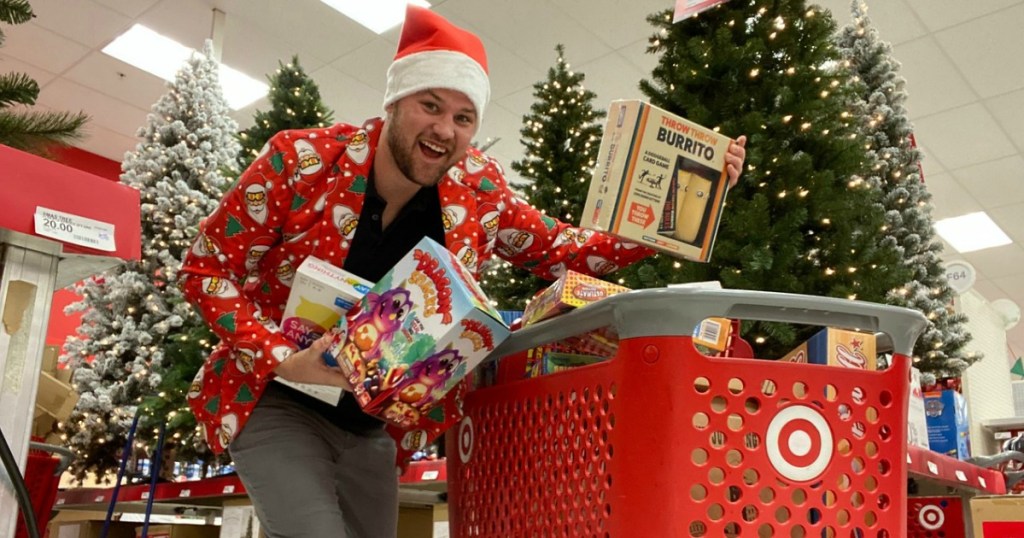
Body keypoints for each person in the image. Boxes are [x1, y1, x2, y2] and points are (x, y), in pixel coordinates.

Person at [178, 5, 746, 538]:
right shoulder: (299, 161)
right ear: (395, 103)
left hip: (375, 428)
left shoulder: (477, 191)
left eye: (463, 117)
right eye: (430, 105)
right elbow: (206, 270)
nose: (445, 129)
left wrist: (692, 199)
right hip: (278, 399)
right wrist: (282, 356)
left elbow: (566, 252)